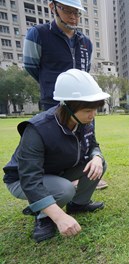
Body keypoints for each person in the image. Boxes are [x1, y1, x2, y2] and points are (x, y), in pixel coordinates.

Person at [2, 69, 110, 242]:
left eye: (96, 109)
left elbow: (92, 145)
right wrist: (59, 217)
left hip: (57, 170)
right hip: (22, 179)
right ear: (67, 105)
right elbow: (30, 178)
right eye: (88, 110)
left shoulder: (85, 119)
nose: (93, 115)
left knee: (99, 163)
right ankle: (44, 217)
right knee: (64, 189)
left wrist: (97, 156)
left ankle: (78, 204)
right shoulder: (38, 129)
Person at [23, 0, 108, 189]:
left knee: (85, 140)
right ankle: (56, 184)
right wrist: (53, 88)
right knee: (56, 144)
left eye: (77, 13)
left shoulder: (85, 42)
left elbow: (85, 71)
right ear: (53, 7)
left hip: (84, 101)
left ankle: (84, 179)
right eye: (68, 11)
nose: (73, 17)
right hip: (55, 101)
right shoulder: (38, 33)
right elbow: (31, 66)